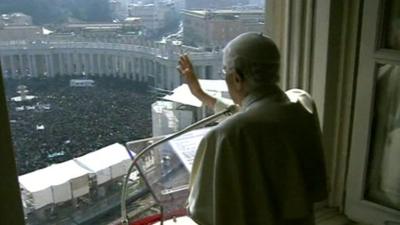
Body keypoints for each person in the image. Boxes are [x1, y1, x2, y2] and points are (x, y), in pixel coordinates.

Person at [177, 32, 327, 225]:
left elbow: (203, 210)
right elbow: (256, 113)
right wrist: (201, 94)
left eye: (225, 74)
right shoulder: (303, 103)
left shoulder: (225, 135)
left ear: (237, 78)